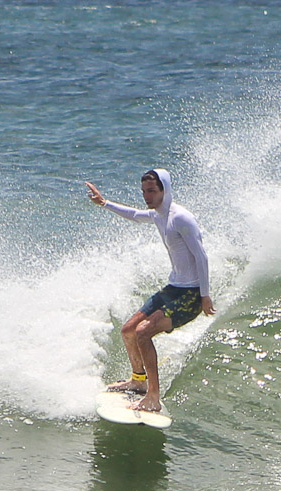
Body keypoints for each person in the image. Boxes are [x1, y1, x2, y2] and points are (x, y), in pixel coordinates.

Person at [85, 169, 214, 412]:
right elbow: (135, 215)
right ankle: (138, 381)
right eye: (144, 191)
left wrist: (205, 296)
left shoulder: (181, 218)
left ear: (165, 190)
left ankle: (153, 397)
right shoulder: (158, 215)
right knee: (128, 330)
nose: (147, 196)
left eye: (152, 191)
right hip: (173, 288)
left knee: (143, 333)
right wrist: (104, 203)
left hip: (191, 294)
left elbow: (202, 257)